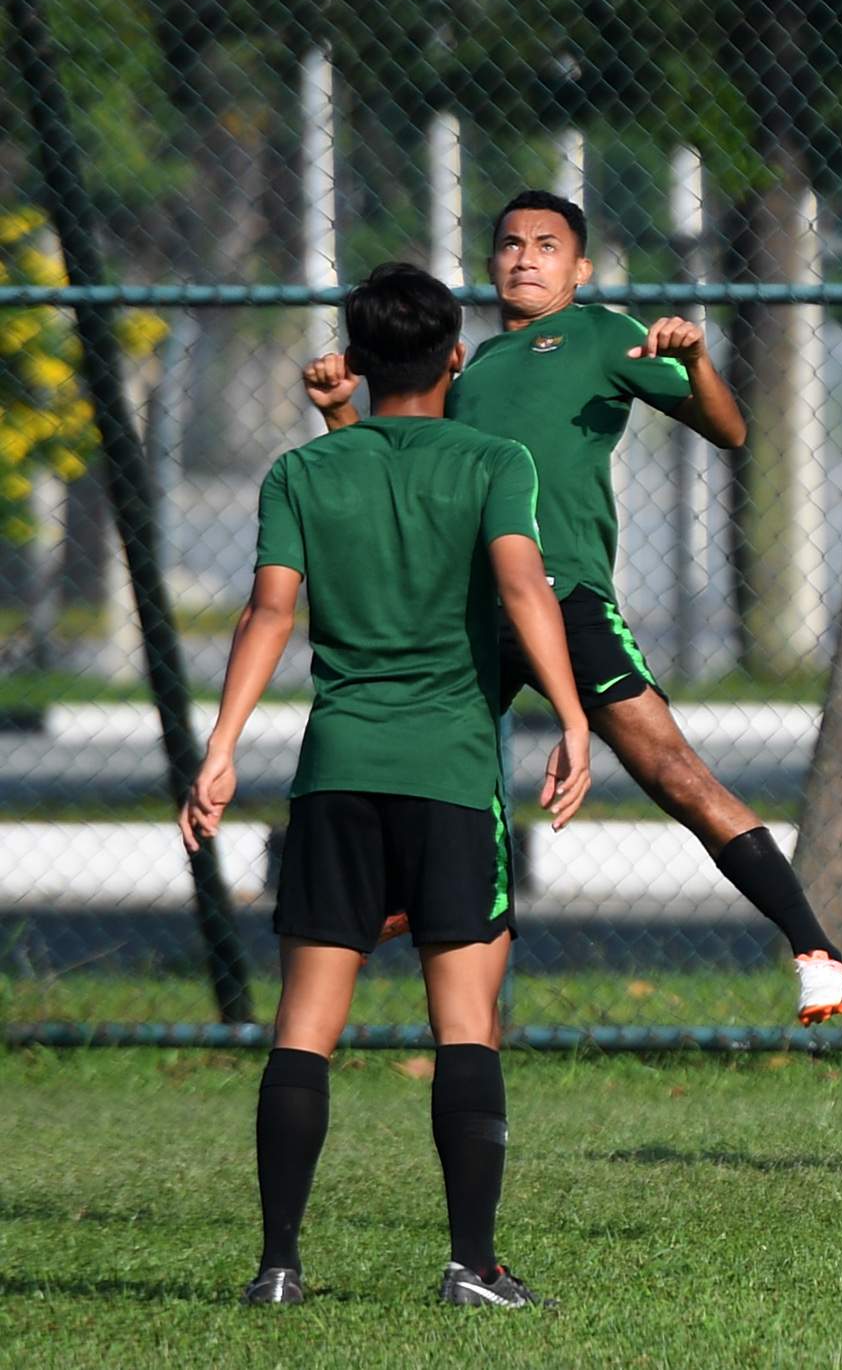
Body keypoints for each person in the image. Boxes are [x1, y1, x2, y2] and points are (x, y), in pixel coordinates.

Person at [304, 192, 842, 1024]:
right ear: (490, 263)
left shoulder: (600, 333)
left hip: (561, 599)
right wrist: (340, 412)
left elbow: (731, 430)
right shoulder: (471, 366)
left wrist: (696, 361)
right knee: (415, 772)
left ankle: (817, 952)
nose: (526, 257)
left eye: (547, 246)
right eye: (511, 244)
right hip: (466, 615)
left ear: (579, 268)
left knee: (673, 772)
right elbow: (410, 468)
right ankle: (431, 951)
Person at [185, 265, 593, 1308]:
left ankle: (277, 1264)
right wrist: (572, 713)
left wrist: (222, 744)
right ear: (456, 358)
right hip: (452, 773)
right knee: (464, 1021)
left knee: (303, 1024)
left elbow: (269, 614)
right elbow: (519, 583)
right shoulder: (496, 460)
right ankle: (472, 1266)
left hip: (338, 775)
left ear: (356, 365)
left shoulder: (301, 474)